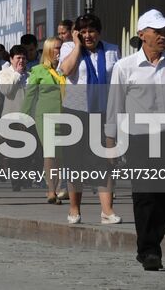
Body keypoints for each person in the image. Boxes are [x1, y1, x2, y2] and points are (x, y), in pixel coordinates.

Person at [105, 9, 165, 272]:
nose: (163, 36)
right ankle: (149, 251)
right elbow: (114, 106)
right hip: (138, 139)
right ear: (141, 35)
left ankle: (151, 241)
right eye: (157, 32)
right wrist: (110, 140)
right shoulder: (125, 67)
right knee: (144, 193)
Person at [59, 13, 122, 224]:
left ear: (99, 32)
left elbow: (118, 80)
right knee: (75, 161)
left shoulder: (112, 50)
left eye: (91, 31)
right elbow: (66, 71)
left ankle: (107, 210)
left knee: (104, 160)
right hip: (76, 111)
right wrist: (77, 45)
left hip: (103, 111)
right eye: (83, 31)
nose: (88, 35)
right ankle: (74, 209)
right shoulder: (69, 48)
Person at [26, 36, 67, 206]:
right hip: (45, 116)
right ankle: (51, 191)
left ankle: (57, 188)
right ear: (49, 50)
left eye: (61, 48)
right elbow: (30, 96)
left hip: (66, 116)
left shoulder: (67, 69)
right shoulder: (38, 70)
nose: (59, 51)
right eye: (56, 48)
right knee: (50, 153)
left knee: (61, 155)